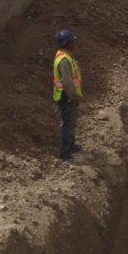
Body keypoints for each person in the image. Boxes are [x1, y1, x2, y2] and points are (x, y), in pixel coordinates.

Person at [52, 29, 83, 160]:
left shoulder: (65, 56)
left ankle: (71, 144)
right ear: (67, 43)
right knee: (68, 124)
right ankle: (65, 152)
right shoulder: (64, 60)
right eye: (72, 42)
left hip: (67, 96)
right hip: (66, 96)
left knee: (71, 121)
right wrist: (73, 97)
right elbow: (67, 82)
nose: (75, 44)